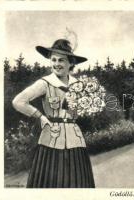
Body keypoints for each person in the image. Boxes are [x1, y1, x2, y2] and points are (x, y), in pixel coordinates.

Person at [12, 39, 95, 188]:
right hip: (51, 141)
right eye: (53, 60)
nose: (57, 64)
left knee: (78, 184)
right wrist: (40, 116)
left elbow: (76, 111)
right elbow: (18, 101)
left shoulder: (79, 85)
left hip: (75, 141)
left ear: (71, 63)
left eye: (61, 60)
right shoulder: (44, 83)